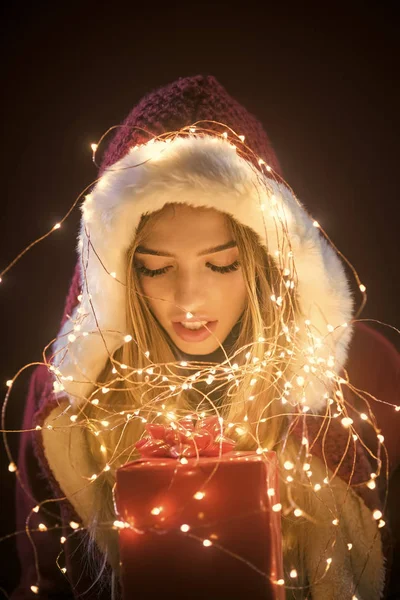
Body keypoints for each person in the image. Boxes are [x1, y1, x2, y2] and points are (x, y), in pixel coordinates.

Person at [12, 75, 400, 599]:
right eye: (155, 269)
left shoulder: (362, 378)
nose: (189, 300)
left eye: (221, 265)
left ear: (264, 258)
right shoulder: (61, 409)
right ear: (120, 272)